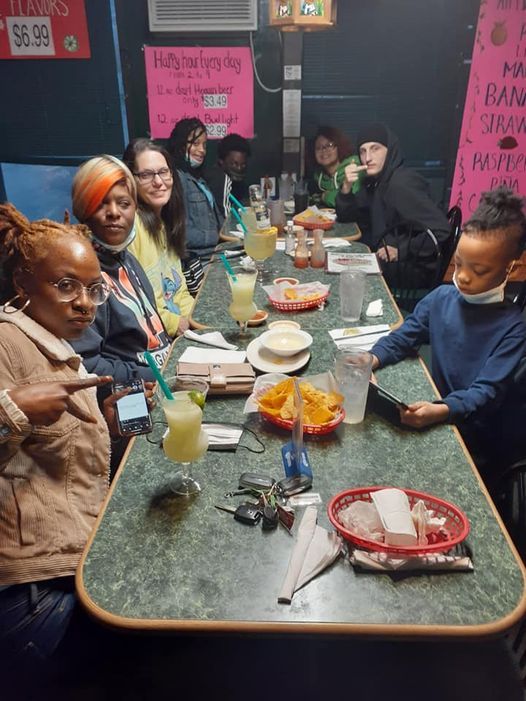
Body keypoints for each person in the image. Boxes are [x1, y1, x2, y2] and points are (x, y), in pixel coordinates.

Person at [0, 203, 136, 674]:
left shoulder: (56, 345)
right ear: (23, 284)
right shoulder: (5, 342)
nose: (84, 303)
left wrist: (108, 427)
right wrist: (14, 409)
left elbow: (58, 460)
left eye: (93, 290)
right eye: (65, 286)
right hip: (34, 596)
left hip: (77, 561)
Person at [370, 187, 526, 474]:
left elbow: (485, 393)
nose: (463, 277)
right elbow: (404, 337)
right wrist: (371, 358)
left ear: (509, 268)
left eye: (479, 271)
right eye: (459, 263)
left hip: (477, 434)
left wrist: (443, 409)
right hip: (439, 408)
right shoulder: (442, 298)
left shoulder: (513, 329)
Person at [71, 154, 172, 380]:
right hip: (136, 392)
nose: (114, 212)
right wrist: (152, 377)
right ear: (82, 209)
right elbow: (87, 365)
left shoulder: (128, 259)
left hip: (166, 373)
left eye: (124, 204)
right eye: (100, 203)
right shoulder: (80, 278)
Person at [336, 123, 450, 287]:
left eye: (375, 149)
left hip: (411, 268)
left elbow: (441, 229)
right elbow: (347, 217)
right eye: (363, 151)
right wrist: (346, 186)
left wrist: (401, 250)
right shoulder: (376, 181)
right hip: (386, 258)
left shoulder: (401, 184)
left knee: (344, 275)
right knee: (337, 263)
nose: (367, 158)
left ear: (390, 150)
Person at [122, 138, 195, 332]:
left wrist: (196, 318)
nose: (158, 182)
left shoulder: (166, 221)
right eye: (146, 175)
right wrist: (178, 325)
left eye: (163, 172)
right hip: (154, 336)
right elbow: (134, 304)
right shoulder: (131, 227)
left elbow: (180, 292)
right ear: (131, 180)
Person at [167, 118, 224, 262]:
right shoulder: (177, 178)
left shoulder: (198, 177)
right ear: (181, 145)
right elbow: (181, 233)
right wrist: (219, 236)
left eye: (204, 145)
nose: (202, 150)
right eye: (195, 143)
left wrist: (229, 232)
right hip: (198, 261)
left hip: (216, 253)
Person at [308, 126, 360, 209]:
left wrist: (326, 196)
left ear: (339, 146)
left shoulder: (354, 167)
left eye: (329, 145)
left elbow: (354, 200)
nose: (323, 150)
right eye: (318, 148)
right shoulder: (318, 177)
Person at [206, 133, 251, 217]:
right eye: (234, 164)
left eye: (243, 164)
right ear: (221, 161)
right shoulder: (219, 180)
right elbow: (226, 220)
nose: (239, 168)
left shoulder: (241, 186)